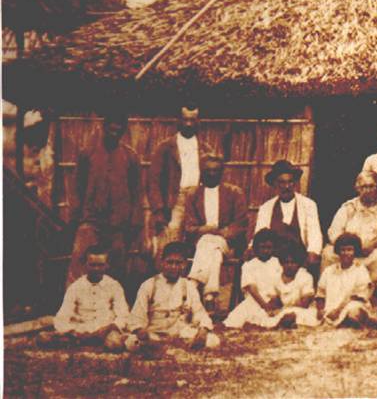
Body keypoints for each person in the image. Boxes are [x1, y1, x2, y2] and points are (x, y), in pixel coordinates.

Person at [67, 111, 143, 295]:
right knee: (80, 261)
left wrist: (134, 222)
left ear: (123, 131)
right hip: (90, 220)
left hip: (118, 224)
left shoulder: (130, 157)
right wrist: (76, 219)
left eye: (118, 130)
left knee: (116, 266)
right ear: (104, 127)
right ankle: (73, 304)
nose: (114, 133)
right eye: (111, 129)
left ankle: (110, 306)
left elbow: (136, 193)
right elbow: (77, 188)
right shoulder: (88, 154)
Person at [126, 242, 220, 351]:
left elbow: (200, 313)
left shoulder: (188, 286)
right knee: (132, 342)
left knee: (213, 340)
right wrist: (143, 333)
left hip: (181, 334)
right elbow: (137, 317)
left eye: (178, 263)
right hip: (153, 333)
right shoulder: (149, 285)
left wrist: (203, 331)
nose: (174, 267)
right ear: (162, 263)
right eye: (170, 262)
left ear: (185, 264)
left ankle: (179, 346)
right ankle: (155, 347)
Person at [184, 154, 248, 312]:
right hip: (203, 245)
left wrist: (220, 232)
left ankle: (193, 283)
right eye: (208, 171)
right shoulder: (193, 195)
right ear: (202, 172)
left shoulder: (234, 193)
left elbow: (241, 224)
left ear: (222, 172)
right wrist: (205, 230)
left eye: (216, 171)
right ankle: (210, 294)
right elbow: (189, 227)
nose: (212, 174)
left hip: (228, 243)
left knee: (210, 242)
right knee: (212, 248)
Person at [147, 103, 210, 258]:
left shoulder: (205, 149)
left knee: (196, 243)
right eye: (185, 119)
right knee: (169, 240)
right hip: (175, 199)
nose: (188, 124)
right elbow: (153, 181)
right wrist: (159, 209)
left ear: (198, 121)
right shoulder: (166, 147)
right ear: (178, 120)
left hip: (198, 199)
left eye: (192, 120)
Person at [38, 245, 128, 352]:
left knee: (115, 343)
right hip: (80, 332)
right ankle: (84, 343)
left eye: (100, 265)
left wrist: (108, 328)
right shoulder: (75, 287)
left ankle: (83, 345)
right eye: (92, 265)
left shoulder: (114, 286)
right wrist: (74, 333)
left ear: (107, 266)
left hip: (105, 331)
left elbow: (123, 315)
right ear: (85, 265)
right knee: (43, 338)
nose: (96, 269)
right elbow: (62, 317)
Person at [322, 170, 377, 281]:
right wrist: (349, 247)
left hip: (374, 250)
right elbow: (334, 231)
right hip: (348, 250)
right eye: (364, 187)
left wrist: (373, 244)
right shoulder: (349, 207)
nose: (368, 190)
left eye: (372, 186)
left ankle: (373, 294)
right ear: (357, 189)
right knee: (328, 253)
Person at [253, 160, 322, 273]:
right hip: (273, 257)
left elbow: (314, 232)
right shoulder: (266, 207)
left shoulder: (308, 205)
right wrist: (252, 248)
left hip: (298, 257)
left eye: (290, 182)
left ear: (295, 184)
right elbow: (260, 234)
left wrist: (313, 251)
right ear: (275, 184)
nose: (286, 186)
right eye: (281, 182)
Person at [223, 228, 283, 329]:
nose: (265, 251)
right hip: (255, 300)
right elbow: (252, 289)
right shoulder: (249, 265)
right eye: (262, 247)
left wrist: (276, 300)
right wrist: (265, 306)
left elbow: (282, 284)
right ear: (256, 248)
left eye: (269, 247)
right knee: (238, 319)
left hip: (274, 300)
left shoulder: (277, 263)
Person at [316, 233, 375, 328]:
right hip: (331, 309)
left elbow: (357, 297)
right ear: (338, 251)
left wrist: (338, 310)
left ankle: (349, 323)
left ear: (355, 251)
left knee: (354, 312)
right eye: (342, 250)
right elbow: (321, 294)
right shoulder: (329, 271)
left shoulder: (360, 270)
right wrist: (320, 309)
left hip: (351, 305)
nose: (346, 253)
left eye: (349, 250)